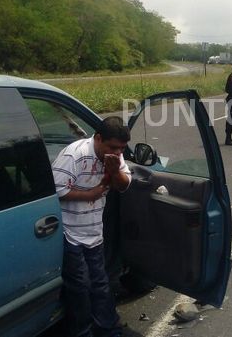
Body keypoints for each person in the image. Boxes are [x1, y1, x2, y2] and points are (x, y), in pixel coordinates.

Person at [52, 117, 132, 337]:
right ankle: (83, 332)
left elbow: (124, 185)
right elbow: (56, 191)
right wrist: (91, 194)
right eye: (113, 147)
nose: (117, 153)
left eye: (122, 149)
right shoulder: (75, 155)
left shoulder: (115, 157)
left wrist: (114, 171)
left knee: (100, 284)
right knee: (80, 288)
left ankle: (109, 329)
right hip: (70, 232)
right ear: (98, 138)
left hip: (94, 231)